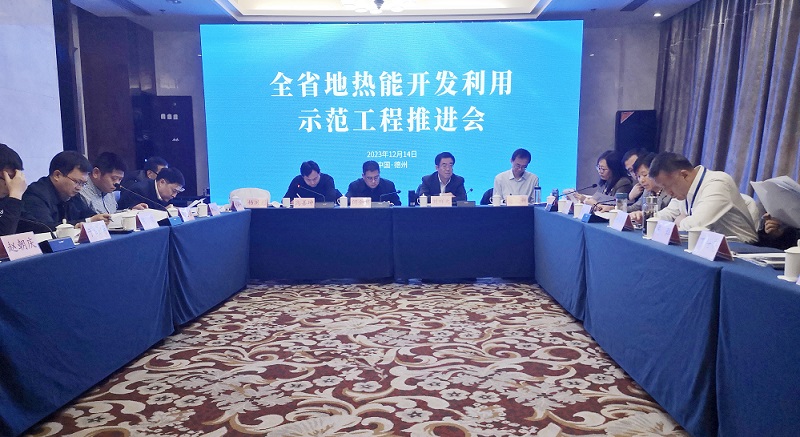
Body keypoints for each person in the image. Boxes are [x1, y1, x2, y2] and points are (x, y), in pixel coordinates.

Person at [650, 152, 757, 243]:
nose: (668, 193)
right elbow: (668, 214)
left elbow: (696, 225)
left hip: (742, 247)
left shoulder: (718, 182)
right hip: (709, 245)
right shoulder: (683, 191)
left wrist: (680, 221)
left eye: (667, 186)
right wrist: (647, 217)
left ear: (684, 175)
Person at [20, 151, 109, 232]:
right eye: (77, 182)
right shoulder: (36, 195)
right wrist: (87, 221)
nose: (80, 188)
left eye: (83, 183)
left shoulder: (73, 194)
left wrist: (100, 219)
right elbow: (45, 228)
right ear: (57, 175)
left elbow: (89, 215)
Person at [80, 152, 147, 214]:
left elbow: (112, 215)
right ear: (96, 173)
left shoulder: (108, 191)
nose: (117, 183)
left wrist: (131, 211)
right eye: (114, 178)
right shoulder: (80, 193)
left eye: (120, 179)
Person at [627, 153, 673, 222]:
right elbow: (635, 208)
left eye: (645, 175)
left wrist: (645, 215)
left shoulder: (671, 192)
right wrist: (614, 208)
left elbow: (669, 216)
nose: (641, 180)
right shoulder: (647, 191)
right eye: (638, 176)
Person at [118, 167, 185, 210]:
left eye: (177, 192)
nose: (174, 195)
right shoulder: (139, 191)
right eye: (174, 191)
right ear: (162, 182)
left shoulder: (166, 196)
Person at [0, 144, 27, 236]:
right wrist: (15, 195)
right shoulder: (14, 196)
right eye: (10, 177)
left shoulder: (10, 199)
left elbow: (32, 225)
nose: (15, 181)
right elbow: (4, 237)